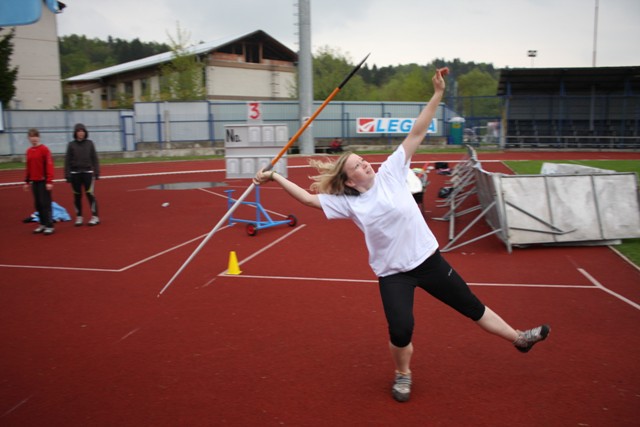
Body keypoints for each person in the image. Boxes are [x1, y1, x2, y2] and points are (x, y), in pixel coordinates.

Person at [254, 68, 550, 403]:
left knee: (472, 307)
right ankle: (403, 374)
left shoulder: (392, 171)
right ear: (349, 180)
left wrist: (437, 94)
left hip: (428, 260)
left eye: (364, 161)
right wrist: (276, 177)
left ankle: (518, 338)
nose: (367, 165)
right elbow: (309, 200)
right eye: (358, 166)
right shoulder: (349, 204)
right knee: (400, 329)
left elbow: (416, 132)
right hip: (394, 273)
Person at [64, 123, 100, 226]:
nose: (81, 133)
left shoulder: (90, 143)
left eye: (82, 131)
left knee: (90, 195)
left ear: (85, 132)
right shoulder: (71, 145)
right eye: (79, 131)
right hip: (75, 174)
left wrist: (97, 172)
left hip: (87, 173)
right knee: (77, 196)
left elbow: (94, 158)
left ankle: (95, 216)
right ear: (75, 133)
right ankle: (79, 216)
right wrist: (67, 175)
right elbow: (67, 161)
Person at [24, 128, 55, 235]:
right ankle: (42, 223)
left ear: (39, 137)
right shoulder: (28, 151)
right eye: (31, 137)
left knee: (45, 203)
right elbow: (28, 167)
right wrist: (27, 182)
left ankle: (49, 225)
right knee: (37, 204)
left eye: (35, 136)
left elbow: (49, 166)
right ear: (29, 138)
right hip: (34, 181)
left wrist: (49, 181)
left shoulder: (44, 150)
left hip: (43, 181)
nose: (34, 139)